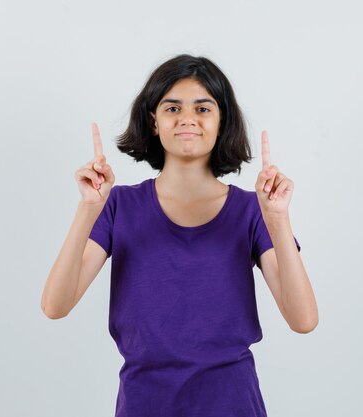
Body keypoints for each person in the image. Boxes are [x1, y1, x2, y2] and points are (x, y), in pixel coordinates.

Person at [41, 54, 318, 417]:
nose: (187, 118)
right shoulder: (119, 204)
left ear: (222, 123)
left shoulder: (254, 210)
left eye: (203, 109)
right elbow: (55, 306)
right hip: (143, 404)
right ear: (154, 122)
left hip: (233, 404)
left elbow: (303, 320)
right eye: (172, 107)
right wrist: (88, 209)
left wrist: (278, 219)